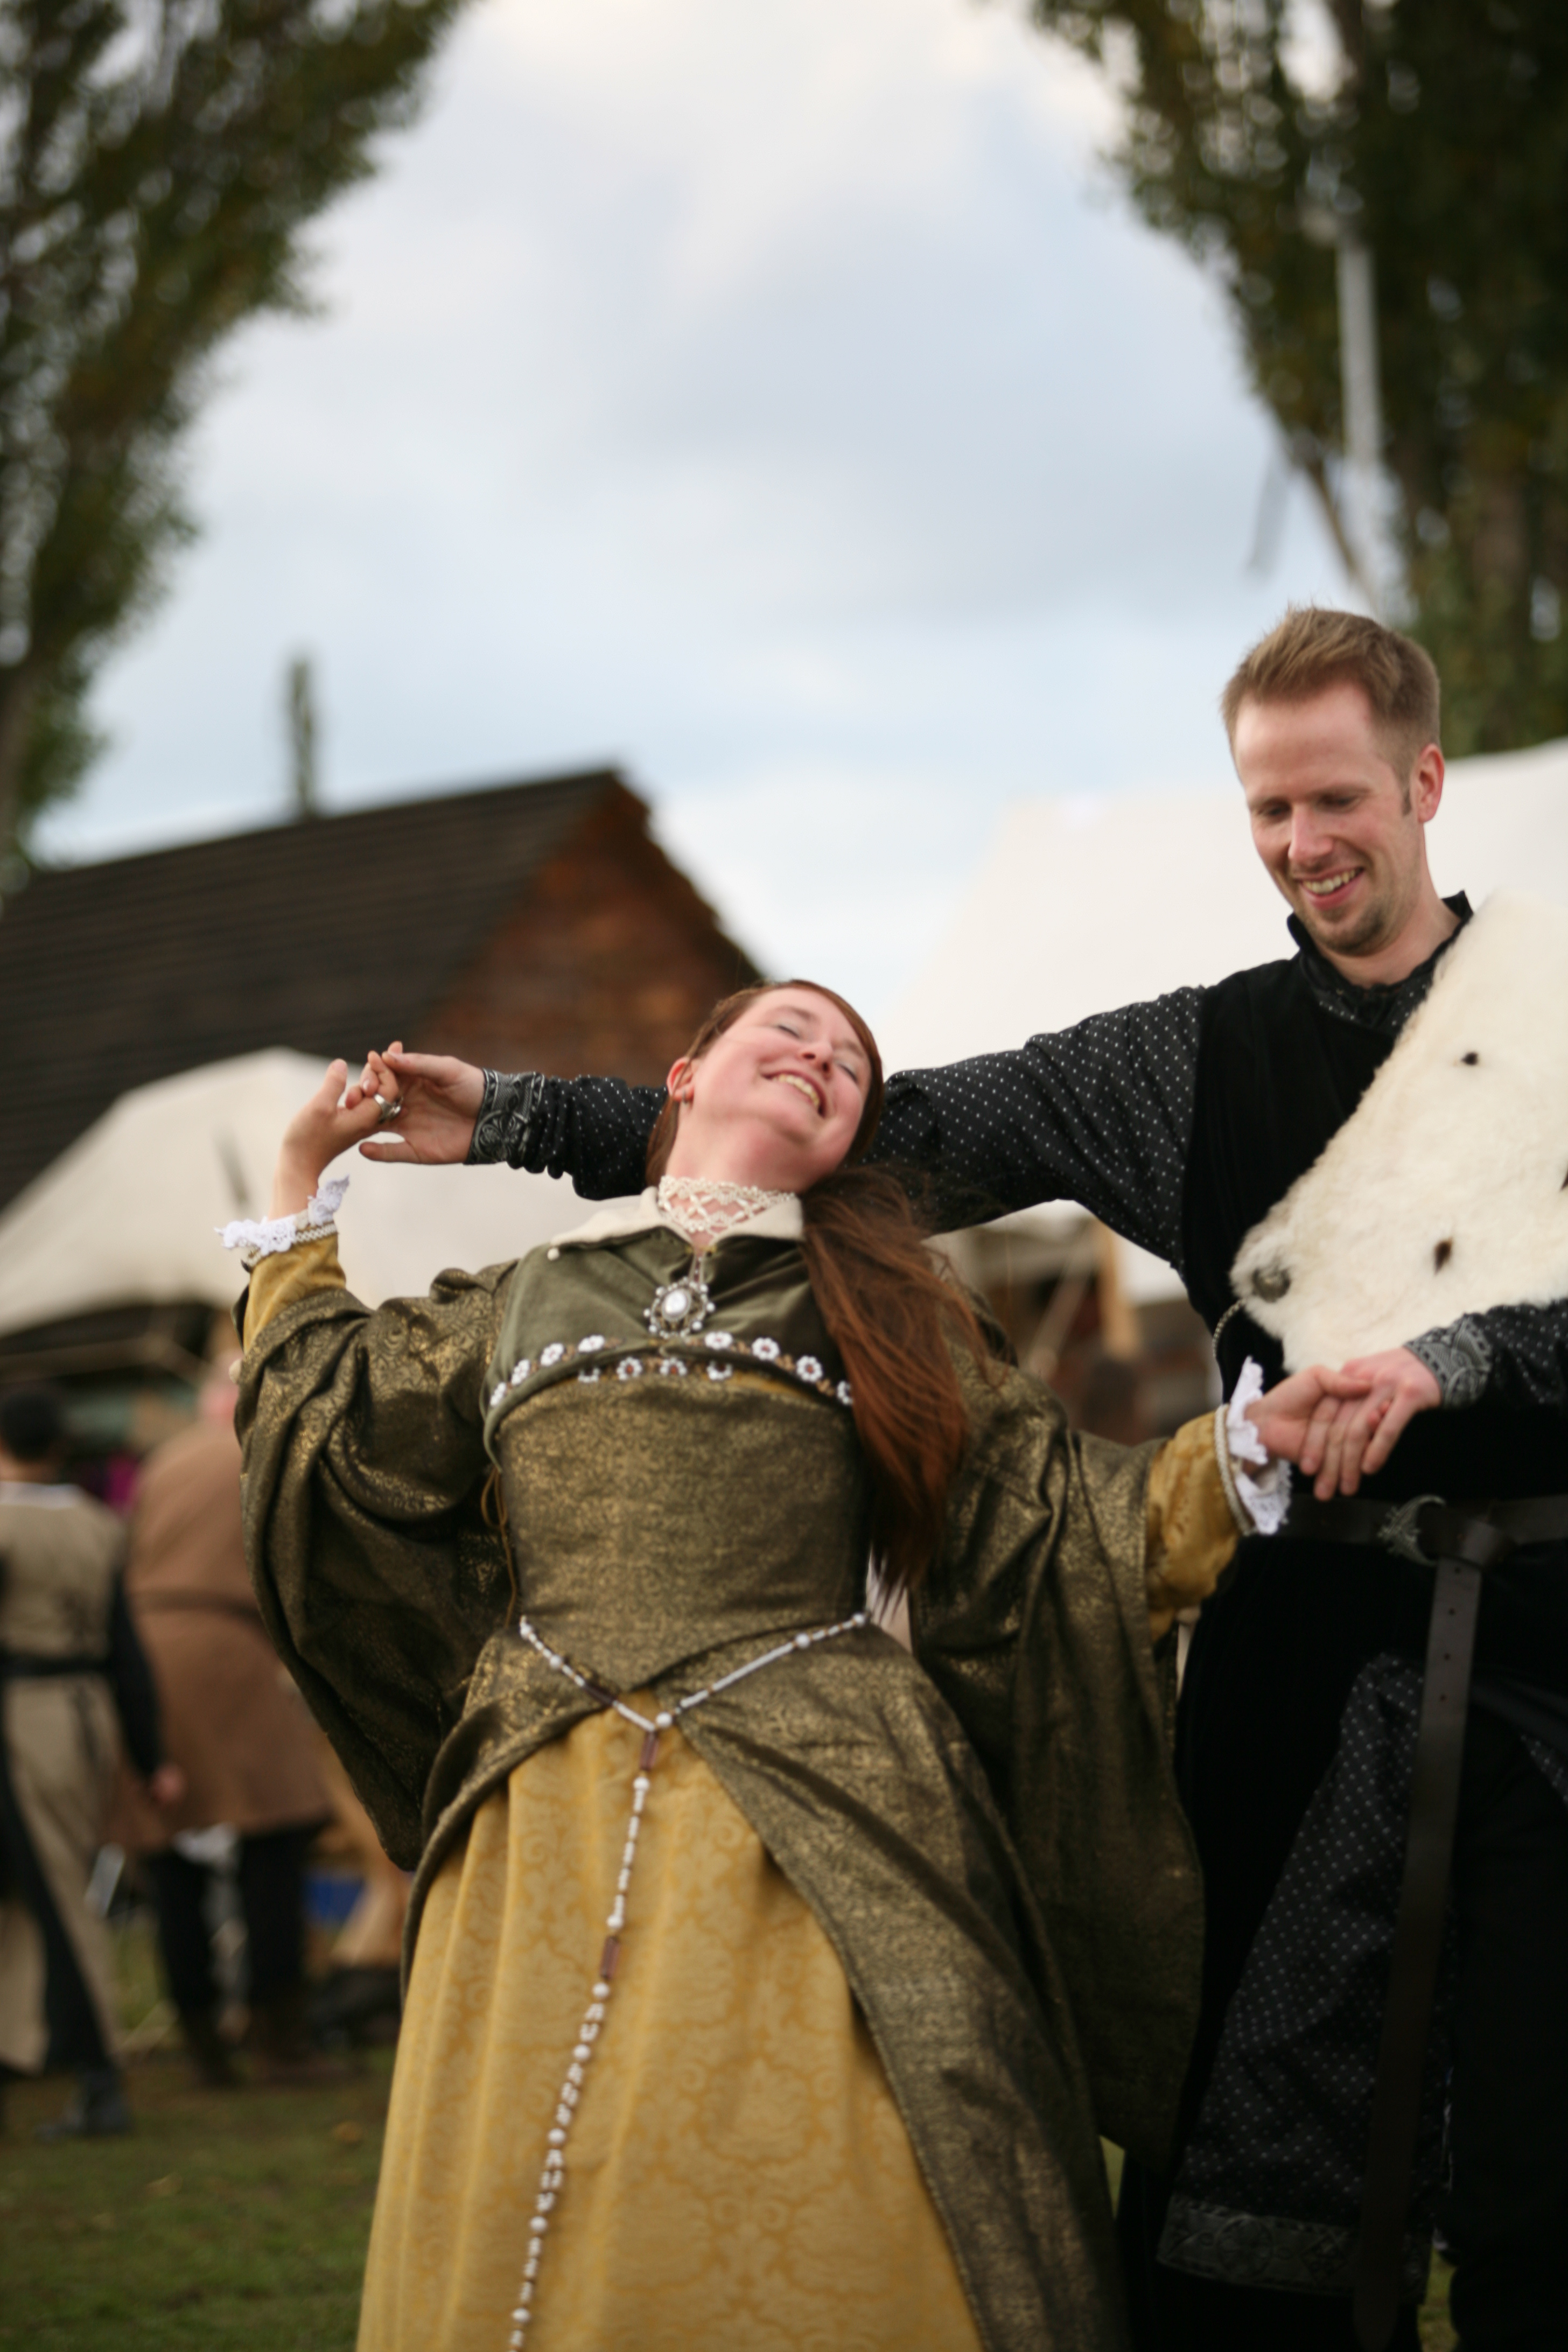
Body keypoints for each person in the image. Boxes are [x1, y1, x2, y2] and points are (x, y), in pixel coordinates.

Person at [372, 610, 1568, 2351]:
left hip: (1550, 1648)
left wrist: (1455, 1360)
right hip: (1301, 1667)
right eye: (1268, 807)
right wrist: (519, 1116)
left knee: (1548, 2188)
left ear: (1426, 782)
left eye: (1337, 800)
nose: (1304, 842)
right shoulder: (1193, 1060)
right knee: (1253, 2218)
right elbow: (866, 1138)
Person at [229, 980, 1346, 2352]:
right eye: (789, 1033)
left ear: (851, 1140)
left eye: (852, 1068)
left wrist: (1236, 1455)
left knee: (832, 2151)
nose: (822, 1061)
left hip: (827, 1797)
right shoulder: (522, 1297)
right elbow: (330, 1424)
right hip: (545, 1814)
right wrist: (300, 1191)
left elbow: (1053, 1521)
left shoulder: (893, 1310)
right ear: (686, 1074)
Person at [119, 1348, 332, 2086]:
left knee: (170, 1852)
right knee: (278, 1834)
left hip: (148, 1654)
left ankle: (202, 2037)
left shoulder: (163, 1461)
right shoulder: (262, 1454)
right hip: (229, 1655)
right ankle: (280, 2036)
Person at [0, 1385, 180, 2138]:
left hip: (24, 1717)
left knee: (52, 1895)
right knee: (41, 1891)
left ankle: (99, 2074)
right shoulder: (96, 1522)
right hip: (83, 1714)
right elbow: (125, 1652)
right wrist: (149, 1752)